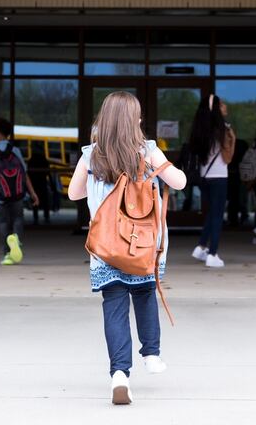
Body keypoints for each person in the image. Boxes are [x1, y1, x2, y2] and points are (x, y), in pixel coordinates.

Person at [68, 91, 187, 405]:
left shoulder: (90, 154)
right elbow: (179, 182)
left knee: (115, 307)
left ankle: (119, 374)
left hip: (106, 247)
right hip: (142, 244)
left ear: (104, 120)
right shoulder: (147, 150)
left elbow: (73, 194)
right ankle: (151, 353)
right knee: (145, 293)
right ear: (134, 120)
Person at [0, 118, 40, 265]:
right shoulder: (15, 150)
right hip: (18, 194)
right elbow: (24, 174)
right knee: (18, 218)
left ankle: (7, 253)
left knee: (3, 221)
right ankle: (17, 241)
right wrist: (32, 193)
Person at [189, 95, 236, 268]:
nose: (225, 106)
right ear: (216, 108)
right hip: (219, 177)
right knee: (217, 216)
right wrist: (233, 139)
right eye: (221, 104)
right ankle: (213, 253)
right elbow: (228, 158)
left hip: (204, 177)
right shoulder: (221, 129)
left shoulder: (201, 129)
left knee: (211, 213)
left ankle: (201, 247)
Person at [27, 142, 56, 226]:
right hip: (42, 182)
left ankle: (36, 218)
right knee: (45, 200)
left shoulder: (31, 160)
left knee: (35, 200)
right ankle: (46, 217)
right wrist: (51, 183)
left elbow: (28, 173)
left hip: (34, 183)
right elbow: (48, 172)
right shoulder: (43, 159)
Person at [227, 137, 250, 227]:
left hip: (232, 174)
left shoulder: (231, 146)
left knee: (234, 198)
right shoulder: (241, 146)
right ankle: (241, 216)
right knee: (239, 198)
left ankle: (233, 218)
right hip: (239, 174)